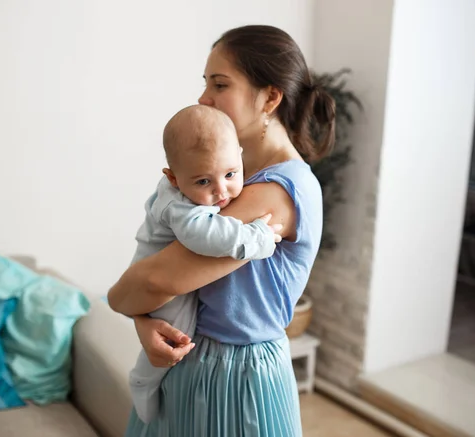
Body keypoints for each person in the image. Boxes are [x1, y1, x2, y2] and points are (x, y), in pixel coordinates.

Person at [108, 24, 335, 437]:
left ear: (269, 97)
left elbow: (153, 280)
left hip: (234, 374)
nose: (203, 98)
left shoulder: (277, 192)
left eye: (220, 84)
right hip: (195, 358)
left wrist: (127, 301)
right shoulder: (232, 181)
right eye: (205, 83)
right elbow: (152, 287)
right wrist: (144, 319)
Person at [128, 104, 281, 424]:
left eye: (230, 174)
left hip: (165, 276)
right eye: (203, 182)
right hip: (157, 277)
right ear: (173, 177)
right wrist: (257, 238)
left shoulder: (207, 187)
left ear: (240, 157)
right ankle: (144, 379)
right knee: (175, 332)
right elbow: (207, 238)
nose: (221, 191)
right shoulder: (179, 205)